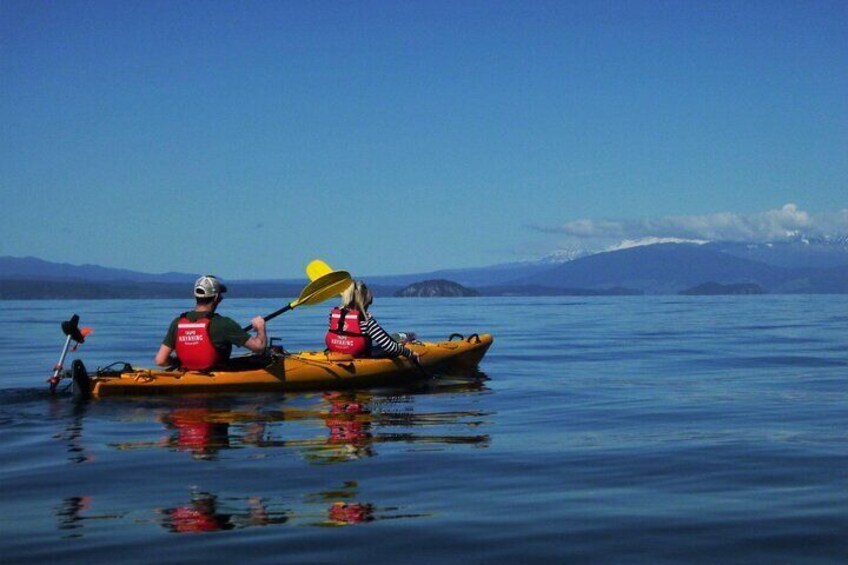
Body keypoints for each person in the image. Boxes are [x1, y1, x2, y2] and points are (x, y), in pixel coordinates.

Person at [155, 275, 267, 371]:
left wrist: (177, 362)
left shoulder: (177, 322)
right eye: (221, 295)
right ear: (216, 297)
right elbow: (259, 347)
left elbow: (160, 360)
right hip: (218, 377)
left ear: (196, 296)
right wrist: (260, 327)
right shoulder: (224, 324)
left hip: (186, 373)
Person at [325, 280, 419, 362]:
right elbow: (389, 347)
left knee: (382, 339)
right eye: (369, 302)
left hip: (337, 350)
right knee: (397, 340)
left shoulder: (334, 315)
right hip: (362, 353)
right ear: (364, 302)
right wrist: (409, 353)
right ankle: (410, 337)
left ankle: (406, 336)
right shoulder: (367, 321)